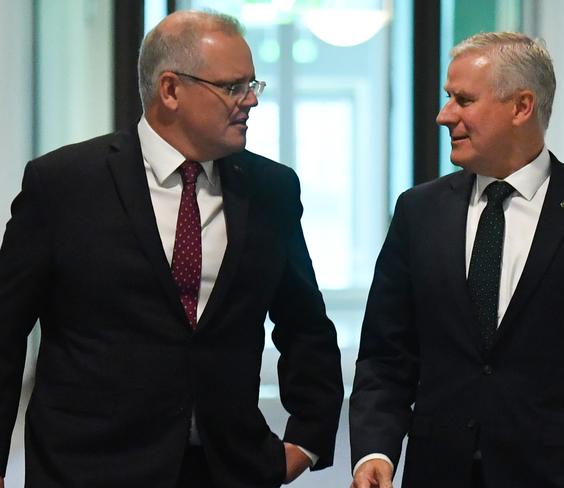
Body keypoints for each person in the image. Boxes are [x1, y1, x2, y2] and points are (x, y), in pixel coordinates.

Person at [0, 10, 343, 488]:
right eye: (231, 87)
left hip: (228, 469)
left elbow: (305, 325)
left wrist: (307, 439)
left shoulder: (271, 189)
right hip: (85, 469)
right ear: (170, 90)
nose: (250, 101)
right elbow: (6, 327)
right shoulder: (63, 185)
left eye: (253, 85)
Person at [349, 32, 564, 488]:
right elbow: (385, 355)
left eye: (463, 100)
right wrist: (375, 449)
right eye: (447, 97)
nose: (444, 115)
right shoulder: (419, 211)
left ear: (521, 107)